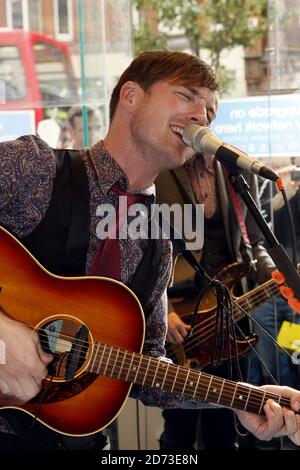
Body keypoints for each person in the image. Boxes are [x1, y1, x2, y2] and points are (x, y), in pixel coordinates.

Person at [0, 51, 300, 450]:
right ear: (130, 96)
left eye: (210, 110)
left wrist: (239, 398)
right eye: (186, 95)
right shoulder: (34, 168)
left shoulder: (159, 237)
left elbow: (149, 369)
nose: (202, 116)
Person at [155, 132, 284, 447]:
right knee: (179, 426)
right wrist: (163, 310)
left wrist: (280, 275)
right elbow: (143, 250)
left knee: (226, 423)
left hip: (230, 316)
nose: (203, 115)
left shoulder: (232, 167)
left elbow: (254, 243)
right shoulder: (159, 167)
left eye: (210, 108)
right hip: (181, 315)